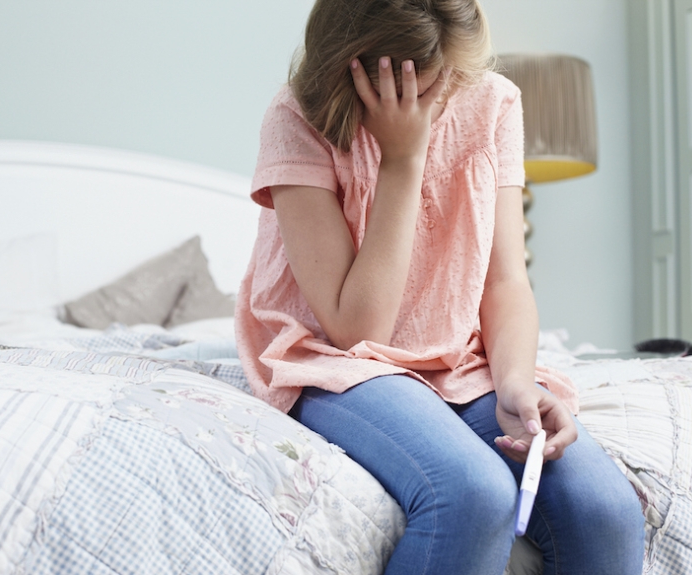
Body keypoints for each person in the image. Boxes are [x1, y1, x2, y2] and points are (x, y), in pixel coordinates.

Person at [234, 0, 645, 573]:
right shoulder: (297, 116)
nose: (451, 93)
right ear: (357, 74)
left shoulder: (495, 101)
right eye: (430, 85)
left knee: (606, 512)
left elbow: (505, 281)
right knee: (475, 494)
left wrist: (515, 384)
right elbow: (356, 329)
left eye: (458, 74)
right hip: (337, 358)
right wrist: (403, 159)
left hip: (457, 358)